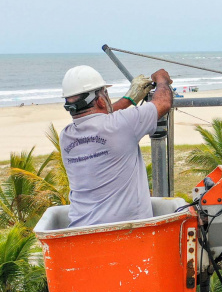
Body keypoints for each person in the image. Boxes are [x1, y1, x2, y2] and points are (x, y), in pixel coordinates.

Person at [59, 65, 174, 228]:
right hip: (128, 231)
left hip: (81, 233)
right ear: (100, 100)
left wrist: (129, 99)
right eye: (105, 94)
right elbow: (163, 103)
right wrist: (162, 80)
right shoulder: (122, 124)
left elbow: (97, 118)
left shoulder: (66, 136)